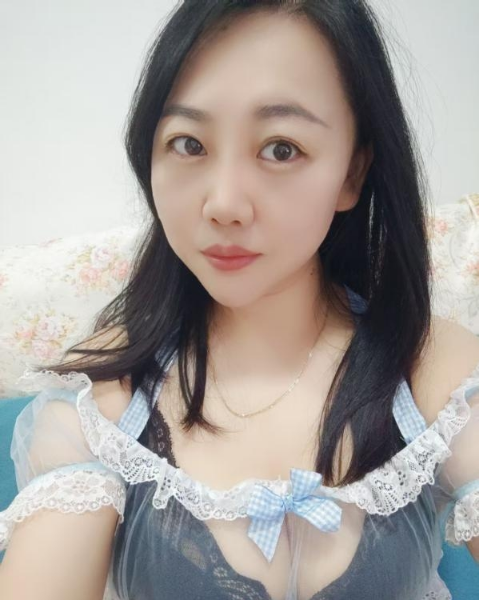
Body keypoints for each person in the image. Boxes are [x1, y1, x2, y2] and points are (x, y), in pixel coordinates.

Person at [0, 1, 478, 598]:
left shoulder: (434, 373)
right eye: (188, 144)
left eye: (281, 149)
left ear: (353, 172)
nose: (224, 202)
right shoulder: (103, 400)